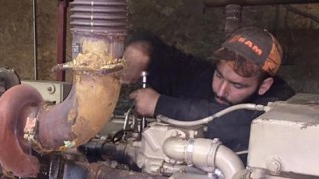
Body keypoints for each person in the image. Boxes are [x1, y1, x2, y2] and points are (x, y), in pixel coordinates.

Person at [122, 27, 295, 154]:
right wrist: (144, 50)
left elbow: (240, 125)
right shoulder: (201, 75)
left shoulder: (281, 102)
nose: (221, 91)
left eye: (237, 85)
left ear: (264, 85)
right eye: (219, 76)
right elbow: (170, 60)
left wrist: (160, 104)